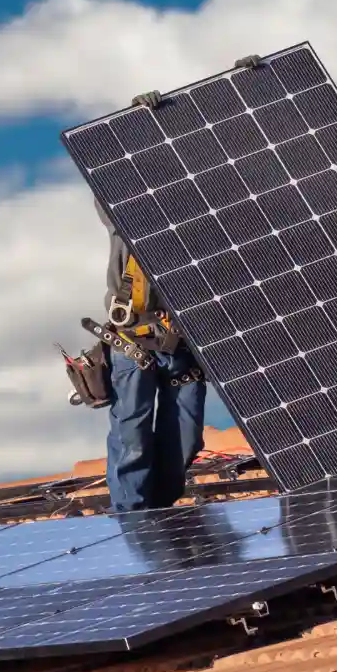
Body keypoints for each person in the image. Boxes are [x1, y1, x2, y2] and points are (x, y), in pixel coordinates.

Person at [97, 201, 206, 513]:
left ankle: (159, 516)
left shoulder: (200, 215)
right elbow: (109, 193)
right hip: (134, 342)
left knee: (186, 440)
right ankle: (133, 521)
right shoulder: (125, 207)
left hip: (183, 346)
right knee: (132, 440)